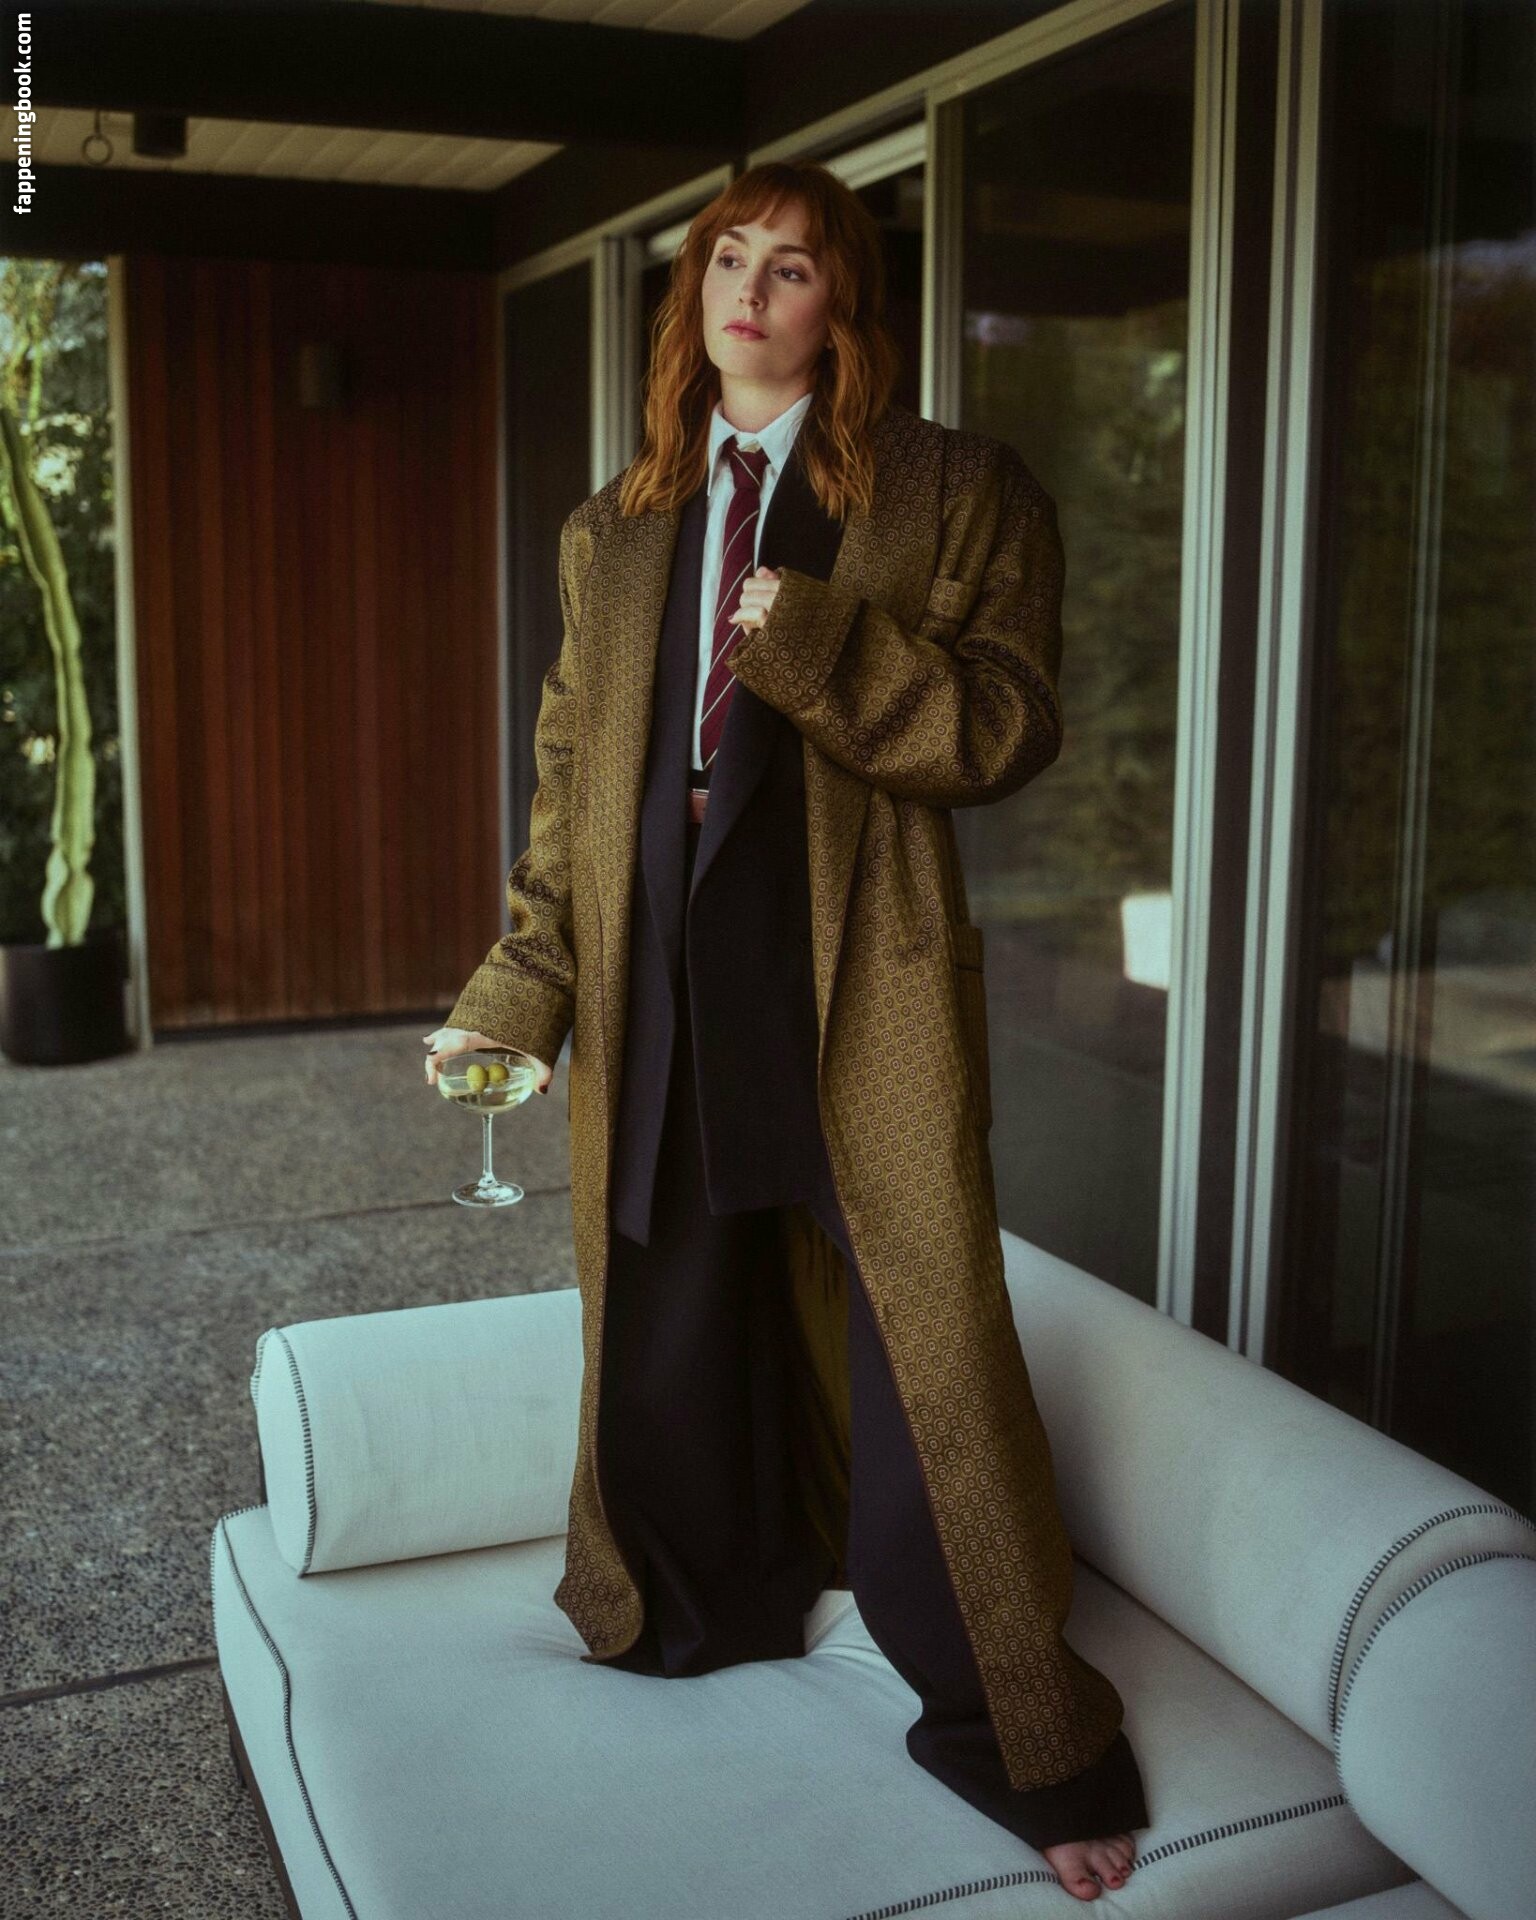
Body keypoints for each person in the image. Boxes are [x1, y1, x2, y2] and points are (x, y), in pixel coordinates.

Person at [425, 161, 1147, 1901]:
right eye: (728, 260)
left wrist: (820, 645)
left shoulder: (957, 493)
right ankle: (694, 1606)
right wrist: (522, 989)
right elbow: (567, 788)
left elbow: (1008, 727)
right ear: (694, 293)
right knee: (668, 1289)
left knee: (927, 1344)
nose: (750, 293)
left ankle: (1018, 1735)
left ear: (846, 305)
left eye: (794, 268)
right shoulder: (615, 529)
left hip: (851, 969)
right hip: (660, 959)